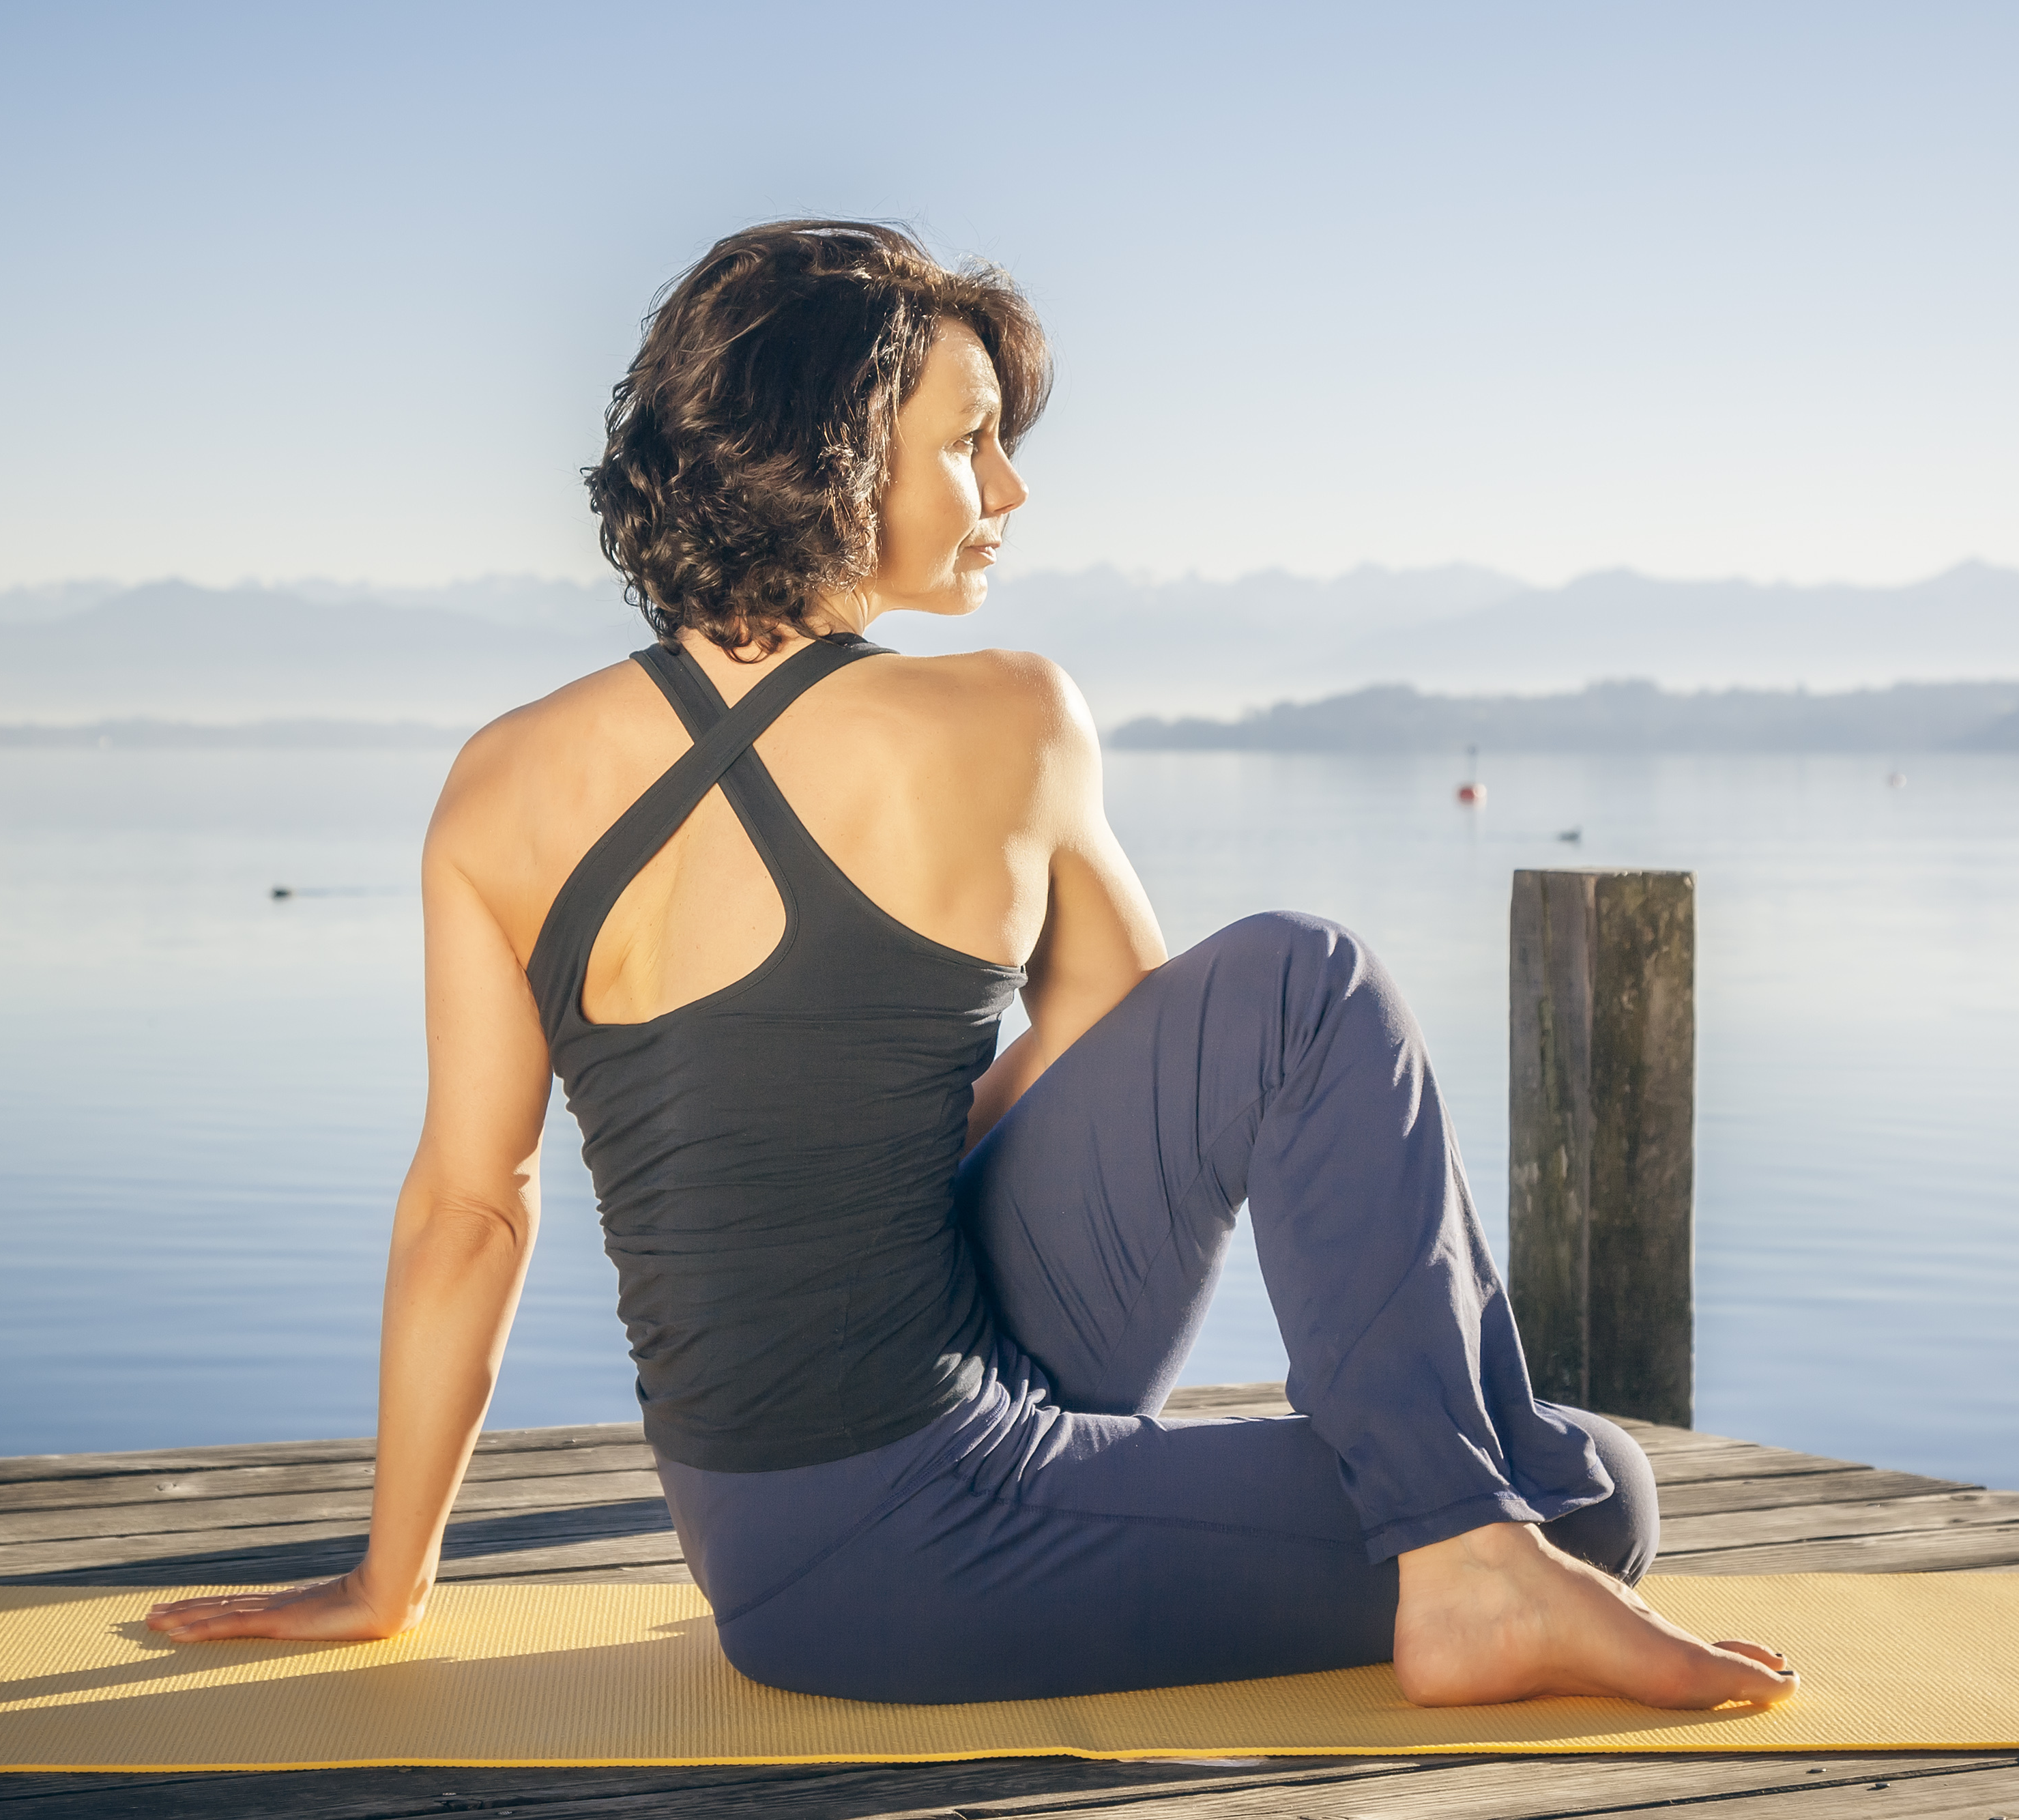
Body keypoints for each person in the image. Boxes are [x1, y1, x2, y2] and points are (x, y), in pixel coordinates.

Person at [147, 221, 1795, 1711]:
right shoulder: (1009, 716)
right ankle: (1477, 1566)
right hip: (917, 1555)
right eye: (971, 440)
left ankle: (1468, 1541)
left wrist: (392, 1575)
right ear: (835, 454)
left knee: (1506, 1429)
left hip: (759, 1537)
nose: (1007, 490)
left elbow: (469, 1207)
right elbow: (1117, 1031)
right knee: (1580, 1476)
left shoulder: (496, 780)